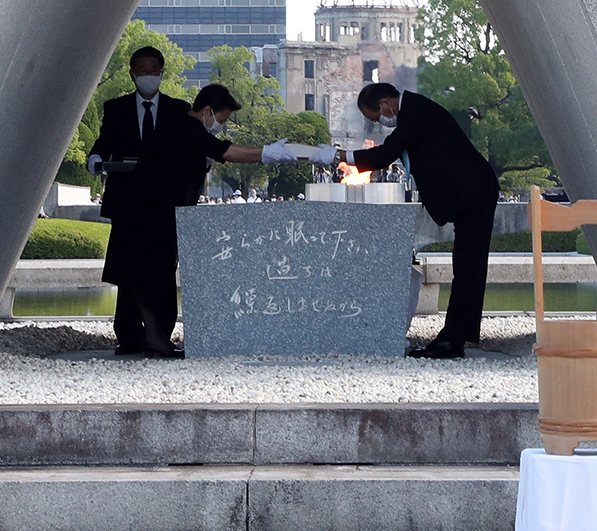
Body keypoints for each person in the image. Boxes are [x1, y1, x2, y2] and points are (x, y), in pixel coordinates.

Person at [95, 74, 295, 358]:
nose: (221, 126)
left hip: (154, 212)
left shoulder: (180, 125)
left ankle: (156, 339)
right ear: (208, 111)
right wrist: (266, 153)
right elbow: (224, 150)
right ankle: (155, 341)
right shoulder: (186, 126)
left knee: (152, 278)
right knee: (150, 279)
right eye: (221, 119)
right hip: (151, 214)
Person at [316, 82, 499, 359]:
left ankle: (453, 340)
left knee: (467, 267)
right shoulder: (414, 110)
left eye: (376, 117)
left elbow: (384, 154)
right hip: (472, 193)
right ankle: (459, 335)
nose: (380, 123)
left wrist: (339, 155)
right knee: (468, 267)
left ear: (386, 103)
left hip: (472, 193)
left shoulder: (416, 112)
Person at [87, 47, 190, 357]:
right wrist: (95, 157)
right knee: (129, 271)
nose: (148, 75)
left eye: (154, 70)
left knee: (162, 271)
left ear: (162, 72)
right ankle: (130, 337)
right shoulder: (115, 108)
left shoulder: (178, 109)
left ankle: (161, 336)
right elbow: (104, 143)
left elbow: (190, 147)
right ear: (132, 73)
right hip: (129, 206)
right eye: (142, 70)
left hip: (164, 206)